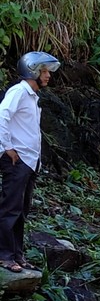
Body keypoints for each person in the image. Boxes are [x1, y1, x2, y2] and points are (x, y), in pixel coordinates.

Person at [0, 51, 60, 273]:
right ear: (32, 71)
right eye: (44, 71)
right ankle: (5, 255)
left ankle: (17, 255)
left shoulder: (32, 96)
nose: (48, 76)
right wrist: (7, 148)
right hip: (17, 160)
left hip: (29, 161)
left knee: (22, 210)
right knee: (10, 208)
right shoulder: (19, 92)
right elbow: (2, 115)